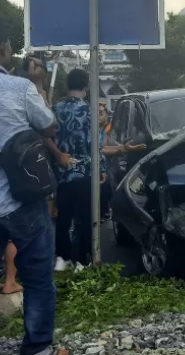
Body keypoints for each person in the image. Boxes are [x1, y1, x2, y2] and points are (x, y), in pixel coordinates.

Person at [0, 14, 59, 355]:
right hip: (23, 202)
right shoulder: (19, 88)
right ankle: (37, 348)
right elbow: (49, 126)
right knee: (37, 280)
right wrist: (37, 86)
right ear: (3, 48)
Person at [53, 69, 107, 271]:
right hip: (85, 170)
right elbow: (95, 143)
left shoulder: (55, 108)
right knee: (86, 217)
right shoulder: (89, 110)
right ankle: (82, 261)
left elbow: (50, 137)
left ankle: (61, 258)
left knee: (63, 216)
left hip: (63, 170)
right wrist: (102, 166)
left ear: (68, 85)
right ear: (86, 86)